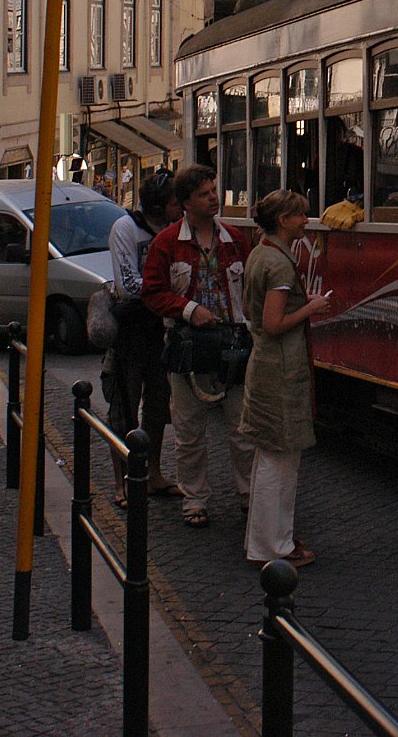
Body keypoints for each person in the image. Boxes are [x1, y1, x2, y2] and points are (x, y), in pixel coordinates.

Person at [141, 164, 255, 529]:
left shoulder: (235, 240)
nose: (213, 198)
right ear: (186, 202)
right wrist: (189, 310)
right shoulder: (167, 243)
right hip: (187, 345)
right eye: (204, 194)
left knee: (243, 427)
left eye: (214, 190)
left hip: (233, 342)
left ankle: (249, 495)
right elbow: (152, 292)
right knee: (189, 431)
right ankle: (194, 499)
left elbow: (250, 290)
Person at [238, 189, 330, 568]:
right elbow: (273, 323)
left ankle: (265, 540)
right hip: (281, 369)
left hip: (265, 364)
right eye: (300, 215)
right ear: (282, 221)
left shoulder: (260, 253)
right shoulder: (278, 264)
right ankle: (275, 546)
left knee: (269, 459)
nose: (306, 220)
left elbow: (254, 315)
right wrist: (311, 307)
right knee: (281, 461)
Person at [103, 173, 184, 504]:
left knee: (157, 405)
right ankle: (122, 481)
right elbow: (127, 284)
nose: (179, 208)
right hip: (131, 328)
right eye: (174, 203)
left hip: (160, 327)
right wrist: (165, 291)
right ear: (158, 206)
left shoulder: (174, 230)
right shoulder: (125, 229)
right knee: (124, 404)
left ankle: (152, 473)